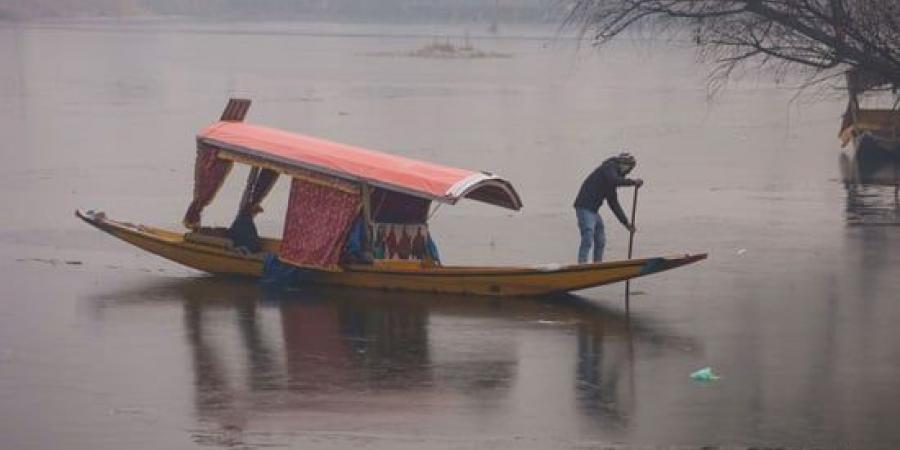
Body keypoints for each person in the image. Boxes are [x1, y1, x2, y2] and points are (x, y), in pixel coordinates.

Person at [573, 152, 643, 264]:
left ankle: (597, 265)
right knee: (588, 235)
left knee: (600, 240)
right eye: (629, 168)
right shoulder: (609, 167)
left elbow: (614, 204)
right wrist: (633, 182)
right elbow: (614, 180)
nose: (628, 171)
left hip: (594, 211)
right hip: (584, 208)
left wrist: (626, 223)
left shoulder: (611, 182)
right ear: (623, 164)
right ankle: (582, 264)